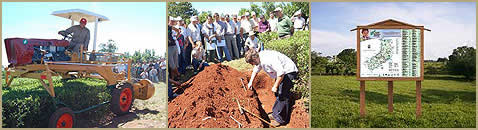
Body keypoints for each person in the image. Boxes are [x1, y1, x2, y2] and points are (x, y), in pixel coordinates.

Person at [245, 49, 298, 127]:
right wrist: (250, 82)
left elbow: (281, 73)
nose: (252, 64)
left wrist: (275, 86)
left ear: (255, 59)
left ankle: (281, 119)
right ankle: (276, 113)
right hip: (281, 73)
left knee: (282, 95)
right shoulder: (259, 58)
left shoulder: (268, 60)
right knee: (278, 94)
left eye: (251, 63)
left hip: (288, 71)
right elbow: (256, 70)